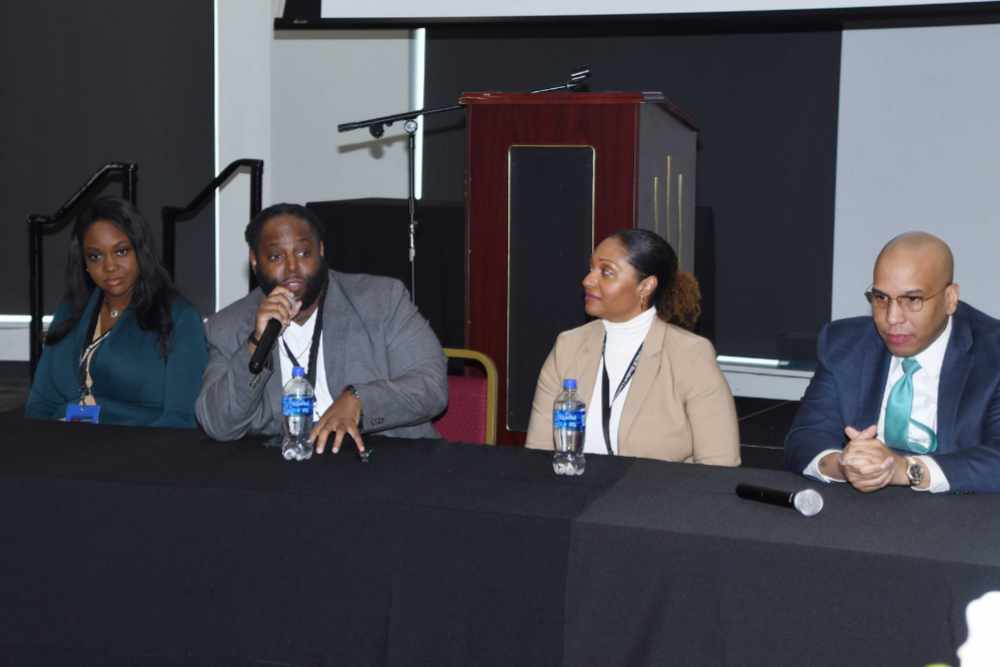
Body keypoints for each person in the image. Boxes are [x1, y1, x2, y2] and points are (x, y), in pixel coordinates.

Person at [196, 203, 447, 453]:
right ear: (254, 261)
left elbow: (431, 388)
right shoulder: (227, 326)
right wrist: (256, 343)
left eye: (304, 253)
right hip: (283, 472)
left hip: (382, 461)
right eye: (276, 257)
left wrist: (359, 400)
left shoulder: (381, 301)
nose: (292, 268)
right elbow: (219, 424)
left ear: (322, 251)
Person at [785, 232, 1000, 493]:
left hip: (964, 515)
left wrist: (906, 470)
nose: (892, 318)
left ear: (950, 299)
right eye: (881, 298)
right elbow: (805, 437)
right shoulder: (845, 344)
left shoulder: (992, 352)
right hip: (863, 513)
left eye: (912, 300)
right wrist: (845, 465)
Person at [525, 229, 740, 465]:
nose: (587, 280)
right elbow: (538, 453)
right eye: (591, 269)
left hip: (660, 499)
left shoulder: (690, 355)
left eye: (606, 272)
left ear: (645, 286)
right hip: (572, 495)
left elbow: (720, 465)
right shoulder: (569, 346)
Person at [25, 197, 208, 427]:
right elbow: (39, 405)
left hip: (140, 452)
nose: (109, 266)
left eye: (121, 251)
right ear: (84, 262)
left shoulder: (179, 318)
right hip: (63, 447)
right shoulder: (70, 312)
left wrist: (102, 415)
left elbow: (181, 420)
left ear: (141, 251)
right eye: (95, 256)